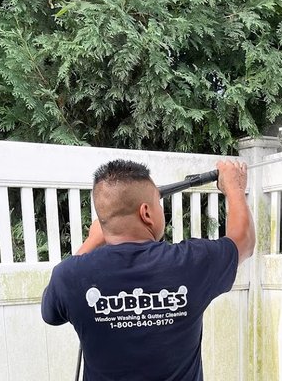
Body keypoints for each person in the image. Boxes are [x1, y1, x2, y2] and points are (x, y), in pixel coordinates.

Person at [41, 159, 255, 380]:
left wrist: (92, 241)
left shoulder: (70, 276)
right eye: (158, 205)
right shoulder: (191, 263)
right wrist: (234, 189)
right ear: (146, 213)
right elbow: (244, 241)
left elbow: (50, 313)